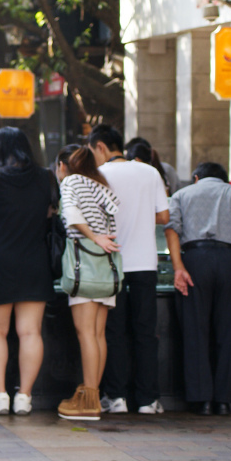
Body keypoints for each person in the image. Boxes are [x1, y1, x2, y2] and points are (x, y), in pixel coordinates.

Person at [165, 162, 231, 416]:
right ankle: (223, 400)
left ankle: (201, 401)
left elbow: (171, 228)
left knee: (194, 330)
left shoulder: (181, 195)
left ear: (196, 178)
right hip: (228, 260)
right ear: (224, 179)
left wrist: (178, 266)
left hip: (195, 260)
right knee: (228, 329)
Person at [89, 124, 169, 414]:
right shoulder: (149, 172)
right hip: (145, 263)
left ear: (99, 147)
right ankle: (148, 400)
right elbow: (164, 215)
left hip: (112, 264)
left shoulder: (98, 176)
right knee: (146, 332)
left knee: (114, 332)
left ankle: (117, 397)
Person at [0, 127, 55, 415]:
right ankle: (24, 396)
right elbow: (51, 215)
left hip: (1, 262)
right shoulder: (45, 177)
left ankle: (0, 396)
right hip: (35, 261)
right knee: (30, 332)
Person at [55, 146, 120, 420]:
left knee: (85, 334)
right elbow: (116, 213)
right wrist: (103, 237)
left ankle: (89, 400)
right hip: (107, 264)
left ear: (67, 166)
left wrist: (93, 238)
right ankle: (91, 393)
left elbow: (71, 214)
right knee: (98, 334)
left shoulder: (71, 181)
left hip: (85, 262)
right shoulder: (100, 183)